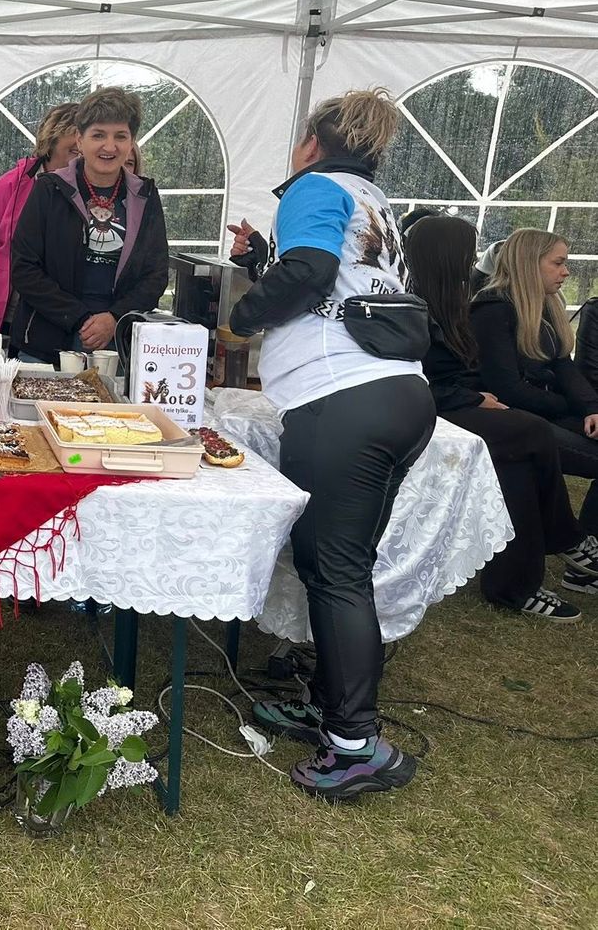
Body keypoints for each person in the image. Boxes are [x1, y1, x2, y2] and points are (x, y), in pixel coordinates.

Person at [229, 87, 433, 800]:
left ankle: (355, 745)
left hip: (342, 398)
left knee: (336, 572)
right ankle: (329, 708)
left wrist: (244, 315)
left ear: (312, 144)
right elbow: (338, 286)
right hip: (400, 393)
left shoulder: (313, 186)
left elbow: (311, 274)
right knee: (346, 566)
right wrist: (265, 261)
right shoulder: (373, 200)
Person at [404, 215, 589, 621]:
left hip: (461, 402)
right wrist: (472, 395)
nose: (474, 262)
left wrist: (587, 406)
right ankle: (566, 539)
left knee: (516, 461)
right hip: (433, 410)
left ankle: (516, 586)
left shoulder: (453, 301)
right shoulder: (418, 307)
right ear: (445, 257)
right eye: (467, 254)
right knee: (530, 432)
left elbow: (558, 368)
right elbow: (413, 380)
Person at [470, 228, 598, 598]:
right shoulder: (492, 310)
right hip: (515, 421)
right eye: (558, 263)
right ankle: (583, 558)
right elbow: (508, 388)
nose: (566, 272)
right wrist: (567, 405)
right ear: (529, 264)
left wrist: (591, 408)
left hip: (542, 411)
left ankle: (585, 556)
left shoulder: (544, 307)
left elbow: (563, 367)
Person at [9, 87, 168, 365]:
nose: (110, 146)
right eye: (98, 135)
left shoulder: (146, 196)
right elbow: (24, 268)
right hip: (45, 346)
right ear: (79, 140)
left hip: (115, 348)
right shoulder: (49, 189)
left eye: (120, 136)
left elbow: (155, 275)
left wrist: (114, 318)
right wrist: (78, 317)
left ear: (131, 142)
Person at [0, 103, 80, 336]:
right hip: (6, 320)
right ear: (50, 143)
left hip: (62, 323)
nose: (80, 158)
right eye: (73, 151)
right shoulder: (10, 185)